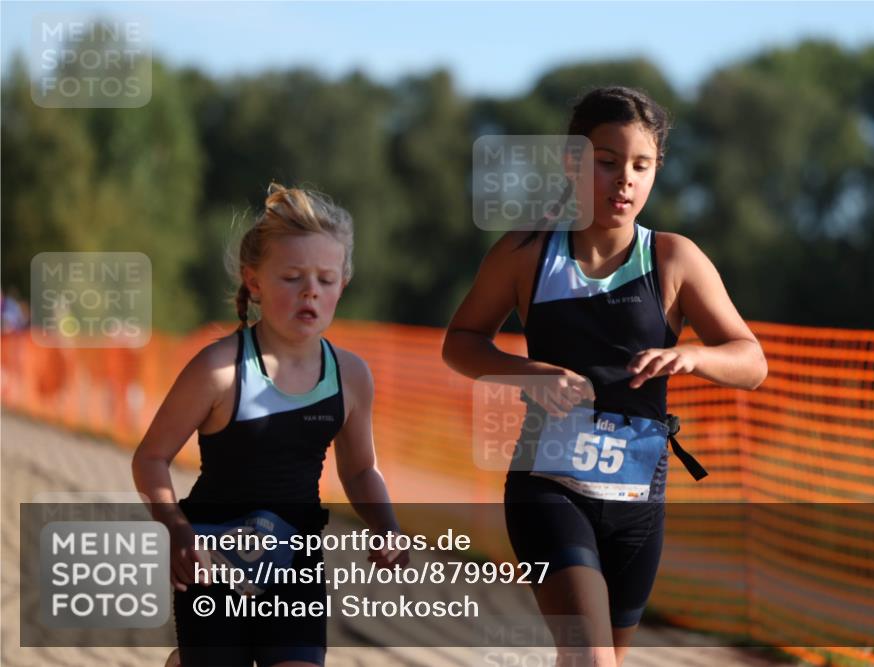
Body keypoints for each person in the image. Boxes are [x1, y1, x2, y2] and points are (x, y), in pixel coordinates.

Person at [442, 86, 767, 666]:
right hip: (549, 486)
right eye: (607, 162)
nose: (624, 181)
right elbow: (461, 344)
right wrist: (528, 373)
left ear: (656, 172)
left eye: (641, 166)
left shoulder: (673, 259)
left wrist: (693, 357)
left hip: (639, 498)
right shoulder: (524, 255)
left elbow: (750, 360)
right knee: (590, 656)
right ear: (572, 163)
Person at [133, 183, 408, 667]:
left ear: (343, 284)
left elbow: (362, 470)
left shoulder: (351, 376)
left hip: (296, 562)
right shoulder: (218, 370)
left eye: (326, 279)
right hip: (212, 562)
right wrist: (176, 529)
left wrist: (386, 525)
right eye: (292, 277)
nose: (310, 291)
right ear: (254, 282)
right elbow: (151, 458)